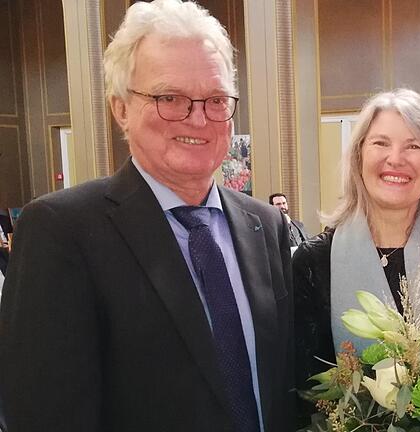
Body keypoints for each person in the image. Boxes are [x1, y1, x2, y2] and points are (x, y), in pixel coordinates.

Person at [0, 1, 293, 431]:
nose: (198, 118)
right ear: (121, 107)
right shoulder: (62, 232)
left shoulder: (264, 225)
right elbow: (43, 414)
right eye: (169, 97)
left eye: (215, 100)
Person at [292, 89, 420, 420]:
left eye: (414, 145)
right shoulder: (314, 263)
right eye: (381, 143)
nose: (396, 159)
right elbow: (300, 393)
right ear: (359, 156)